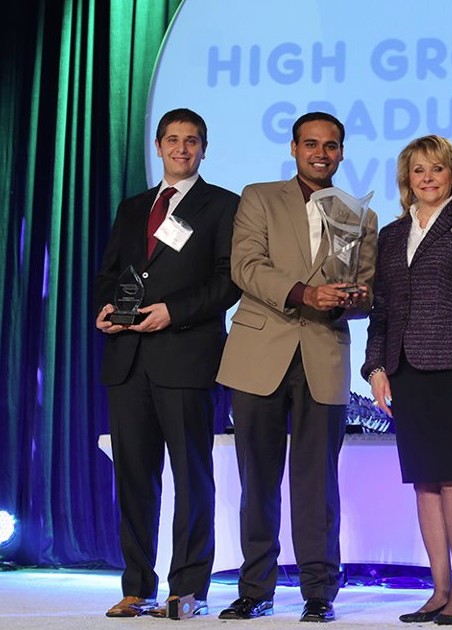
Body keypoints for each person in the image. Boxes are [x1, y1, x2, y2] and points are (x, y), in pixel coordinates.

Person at [215, 112, 377, 623]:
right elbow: (246, 267)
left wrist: (348, 298)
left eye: (331, 145)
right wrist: (306, 293)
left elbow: (368, 290)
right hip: (260, 354)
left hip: (323, 354)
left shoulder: (360, 215)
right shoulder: (259, 196)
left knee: (317, 483)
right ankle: (256, 587)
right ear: (293, 148)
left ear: (342, 153)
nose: (320, 153)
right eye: (311, 143)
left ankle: (318, 592)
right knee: (257, 480)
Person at [95, 108, 241, 619]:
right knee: (133, 478)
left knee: (192, 478)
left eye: (192, 141)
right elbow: (111, 271)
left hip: (187, 357)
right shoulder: (134, 207)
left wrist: (172, 313)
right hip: (128, 361)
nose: (182, 148)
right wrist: (108, 309)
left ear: (205, 148)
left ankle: (189, 588)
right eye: (173, 140)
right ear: (158, 146)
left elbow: (229, 281)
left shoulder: (223, 205)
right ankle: (137, 586)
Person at [363, 135, 452, 626]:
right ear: (407, 180)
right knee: (424, 483)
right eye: (418, 170)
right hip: (405, 372)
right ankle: (438, 588)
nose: (427, 178)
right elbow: (381, 310)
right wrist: (376, 368)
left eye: (436, 169)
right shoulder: (390, 235)